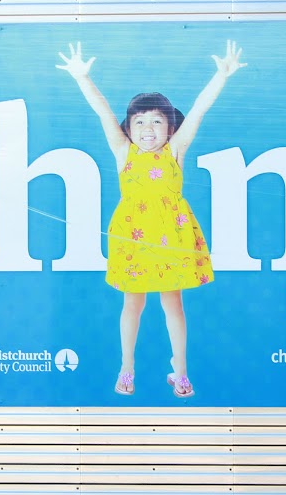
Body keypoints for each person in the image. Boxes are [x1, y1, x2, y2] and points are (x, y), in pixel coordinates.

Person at [56, 40, 246, 397]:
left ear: (170, 128)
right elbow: (102, 112)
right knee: (133, 303)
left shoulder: (175, 150)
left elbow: (199, 110)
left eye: (157, 121)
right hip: (133, 236)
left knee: (173, 303)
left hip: (170, 236)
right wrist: (82, 77)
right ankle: (126, 368)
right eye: (140, 121)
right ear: (129, 128)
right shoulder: (123, 151)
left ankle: (181, 371)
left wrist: (221, 76)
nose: (148, 128)